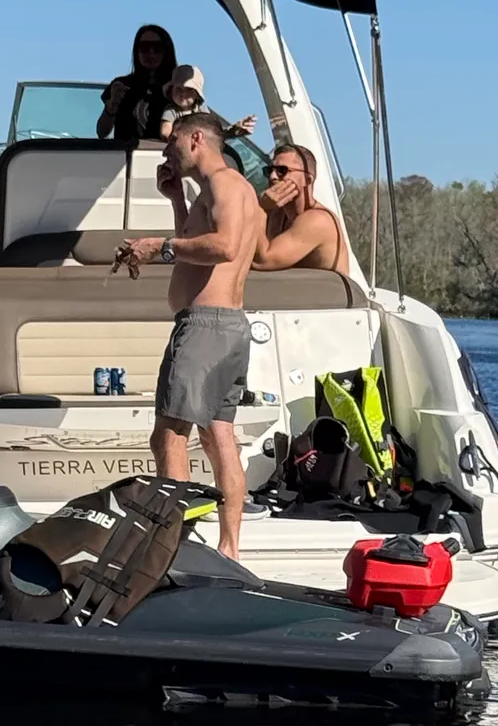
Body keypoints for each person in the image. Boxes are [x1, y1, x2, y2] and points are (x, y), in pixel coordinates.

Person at [112, 113, 262, 558]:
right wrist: (176, 200)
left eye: (172, 140)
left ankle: (169, 544)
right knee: (220, 438)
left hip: (205, 329)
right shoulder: (221, 191)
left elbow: (226, 246)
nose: (166, 150)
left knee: (168, 435)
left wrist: (158, 245)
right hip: (228, 327)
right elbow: (198, 246)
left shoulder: (225, 184)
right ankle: (229, 548)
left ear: (196, 138)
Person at [252, 143, 349, 273]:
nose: (273, 177)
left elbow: (263, 261)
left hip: (323, 292)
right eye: (269, 171)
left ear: (307, 180)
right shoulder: (276, 215)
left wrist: (259, 208)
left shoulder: (318, 220)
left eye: (282, 171)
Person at [96, 23, 177, 147]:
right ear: (136, 51)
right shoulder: (121, 86)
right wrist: (111, 107)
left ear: (167, 51)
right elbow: (102, 133)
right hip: (125, 159)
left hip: (165, 157)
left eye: (157, 47)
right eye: (144, 47)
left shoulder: (177, 87)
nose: (151, 53)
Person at [158, 63, 258, 144]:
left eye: (189, 90)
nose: (183, 94)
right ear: (171, 91)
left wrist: (231, 131)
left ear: (197, 95)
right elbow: (165, 132)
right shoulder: (171, 110)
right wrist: (180, 140)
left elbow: (212, 131)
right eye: (178, 89)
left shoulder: (201, 109)